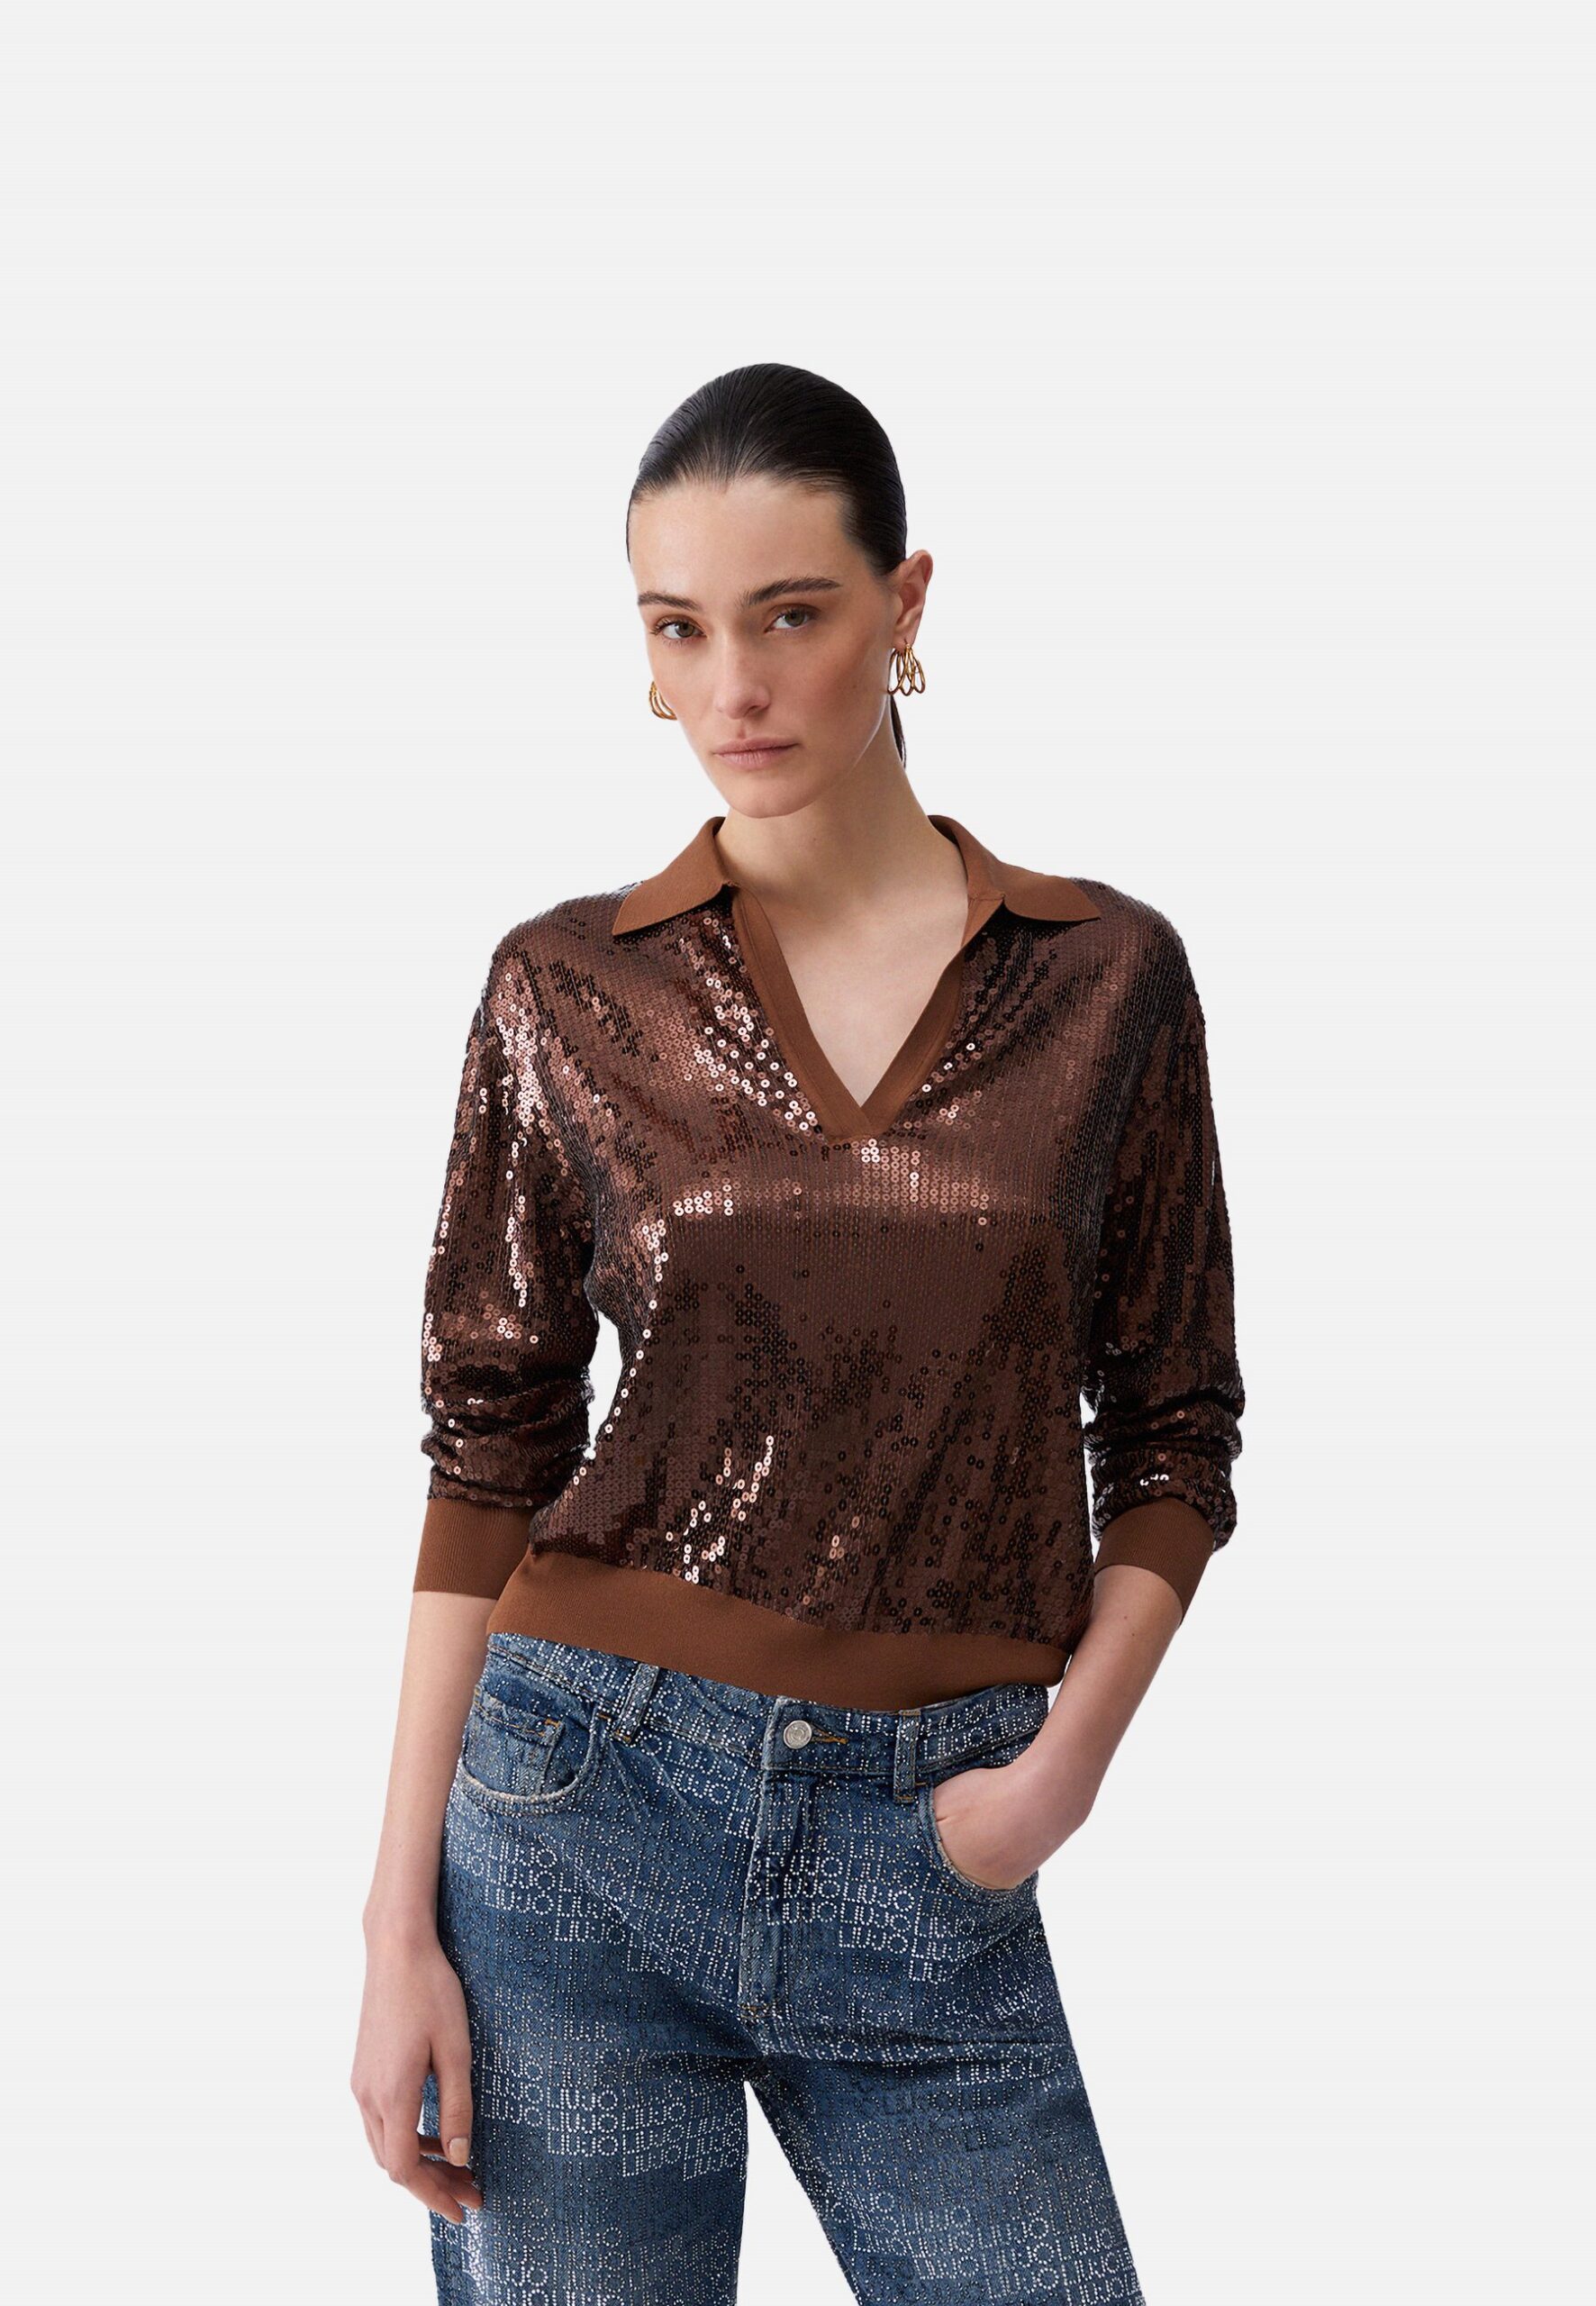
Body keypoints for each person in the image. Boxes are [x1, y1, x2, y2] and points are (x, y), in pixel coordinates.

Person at [351, 360, 1246, 2306]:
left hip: (941, 1847)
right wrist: (393, 1926)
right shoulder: (566, 988)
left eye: (790, 615)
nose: (734, 689)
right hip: (576, 1813)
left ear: (904, 606)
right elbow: (488, 1451)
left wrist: (1060, 1772)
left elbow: (1175, 1424)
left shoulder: (1104, 981)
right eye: (680, 628)